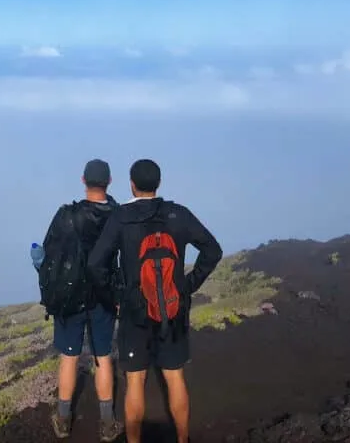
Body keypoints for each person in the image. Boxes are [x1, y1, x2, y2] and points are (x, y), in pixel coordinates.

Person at [87, 158, 223, 443]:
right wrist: (187, 286)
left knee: (135, 381)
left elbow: (96, 264)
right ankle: (182, 439)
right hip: (173, 309)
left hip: (134, 310)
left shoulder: (120, 218)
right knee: (174, 377)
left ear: (132, 185)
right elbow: (212, 250)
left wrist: (116, 297)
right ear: (158, 183)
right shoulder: (178, 214)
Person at [37, 159, 125, 442]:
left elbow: (49, 256)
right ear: (109, 182)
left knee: (69, 358)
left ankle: (63, 420)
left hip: (70, 298)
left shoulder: (66, 215)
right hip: (104, 297)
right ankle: (108, 423)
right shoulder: (119, 216)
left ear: (82, 180)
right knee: (103, 357)